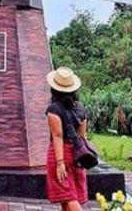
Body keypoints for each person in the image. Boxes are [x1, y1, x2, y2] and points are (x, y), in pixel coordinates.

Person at [45, 66, 88, 211]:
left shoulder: (53, 109)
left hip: (60, 153)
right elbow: (82, 136)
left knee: (68, 196)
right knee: (65, 198)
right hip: (76, 154)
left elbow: (57, 135)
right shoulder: (81, 108)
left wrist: (59, 162)